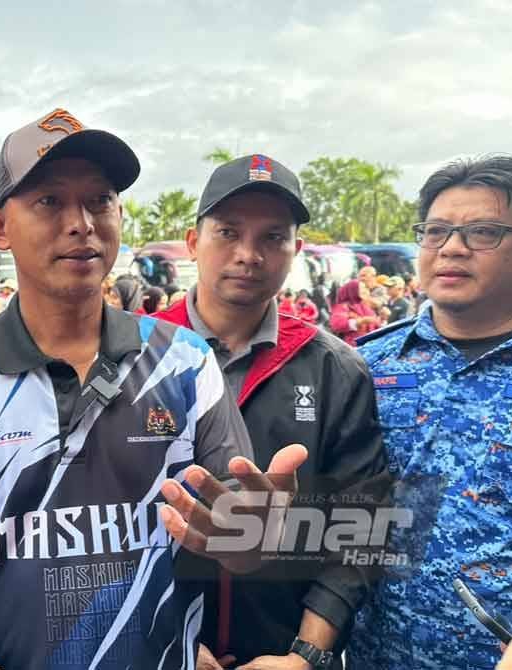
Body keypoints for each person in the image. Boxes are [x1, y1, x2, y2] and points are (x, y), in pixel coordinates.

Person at [0, 109, 302, 670]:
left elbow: (239, 537)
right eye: (49, 202)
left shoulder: (185, 365)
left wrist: (255, 535)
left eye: (99, 200)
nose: (81, 223)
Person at [156, 154, 390, 670]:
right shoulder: (135, 354)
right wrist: (162, 640)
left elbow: (360, 524)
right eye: (228, 232)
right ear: (194, 243)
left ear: (296, 251)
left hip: (280, 649)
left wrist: (304, 655)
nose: (248, 254)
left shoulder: (335, 370)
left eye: (272, 237)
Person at [347, 155, 512, 670]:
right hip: (377, 658)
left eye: (483, 232)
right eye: (435, 232)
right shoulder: (366, 365)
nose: (452, 248)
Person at [329, 279, 381, 346]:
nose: (365, 290)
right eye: (362, 288)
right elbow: (336, 325)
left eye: (365, 288)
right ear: (353, 290)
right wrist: (360, 321)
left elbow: (376, 325)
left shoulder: (364, 305)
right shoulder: (342, 307)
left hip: (371, 344)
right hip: (355, 347)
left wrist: (382, 318)